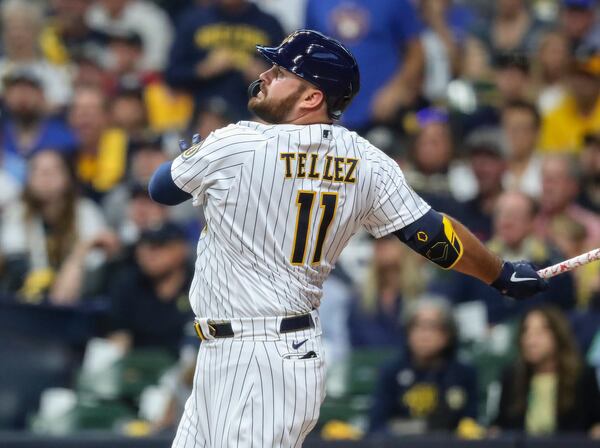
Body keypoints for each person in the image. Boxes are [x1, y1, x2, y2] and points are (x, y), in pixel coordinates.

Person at [149, 30, 548, 447]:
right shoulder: (366, 159)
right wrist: (500, 273)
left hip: (259, 355)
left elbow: (161, 188)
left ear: (311, 97)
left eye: (281, 71)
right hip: (257, 353)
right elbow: (432, 233)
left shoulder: (239, 142)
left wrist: (197, 149)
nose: (264, 76)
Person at [0, 150, 117, 304]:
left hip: (78, 308)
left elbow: (65, 297)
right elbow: (21, 275)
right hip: (25, 307)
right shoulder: (16, 213)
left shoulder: (87, 212)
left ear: (68, 176)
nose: (45, 176)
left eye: (53, 170)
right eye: (38, 170)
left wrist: (80, 253)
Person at [369, 297, 478, 436]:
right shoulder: (391, 372)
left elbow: (470, 426)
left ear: (448, 334)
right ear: (407, 332)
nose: (423, 335)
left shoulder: (464, 373)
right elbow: (377, 426)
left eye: (432, 327)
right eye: (417, 326)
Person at [492, 306, 600, 437]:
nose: (530, 341)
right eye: (526, 332)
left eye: (539, 333)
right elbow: (501, 424)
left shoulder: (582, 375)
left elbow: (595, 422)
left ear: (558, 335)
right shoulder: (512, 376)